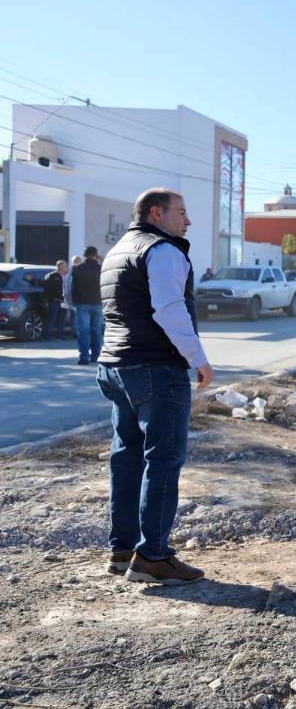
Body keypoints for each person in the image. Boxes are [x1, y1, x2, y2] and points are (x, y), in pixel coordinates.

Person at [95, 188, 214, 585]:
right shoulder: (161, 251)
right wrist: (198, 358)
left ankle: (123, 550)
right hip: (155, 368)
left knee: (126, 459)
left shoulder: (116, 252)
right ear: (156, 213)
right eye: (182, 212)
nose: (188, 220)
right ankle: (153, 557)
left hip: (116, 367)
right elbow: (168, 308)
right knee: (163, 460)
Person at [70, 247, 104, 364]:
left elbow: (72, 287)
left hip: (82, 303)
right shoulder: (101, 269)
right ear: (96, 255)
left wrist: (73, 302)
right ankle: (96, 356)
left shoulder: (77, 269)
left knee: (83, 331)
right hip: (98, 303)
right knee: (97, 331)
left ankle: (84, 357)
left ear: (84, 255)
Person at [43, 261, 71, 339]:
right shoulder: (51, 276)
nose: (67, 267)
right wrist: (48, 300)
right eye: (65, 266)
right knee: (51, 319)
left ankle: (59, 336)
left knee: (62, 319)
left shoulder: (67, 276)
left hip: (64, 301)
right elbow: (46, 289)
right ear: (60, 267)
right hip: (54, 301)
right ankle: (46, 335)